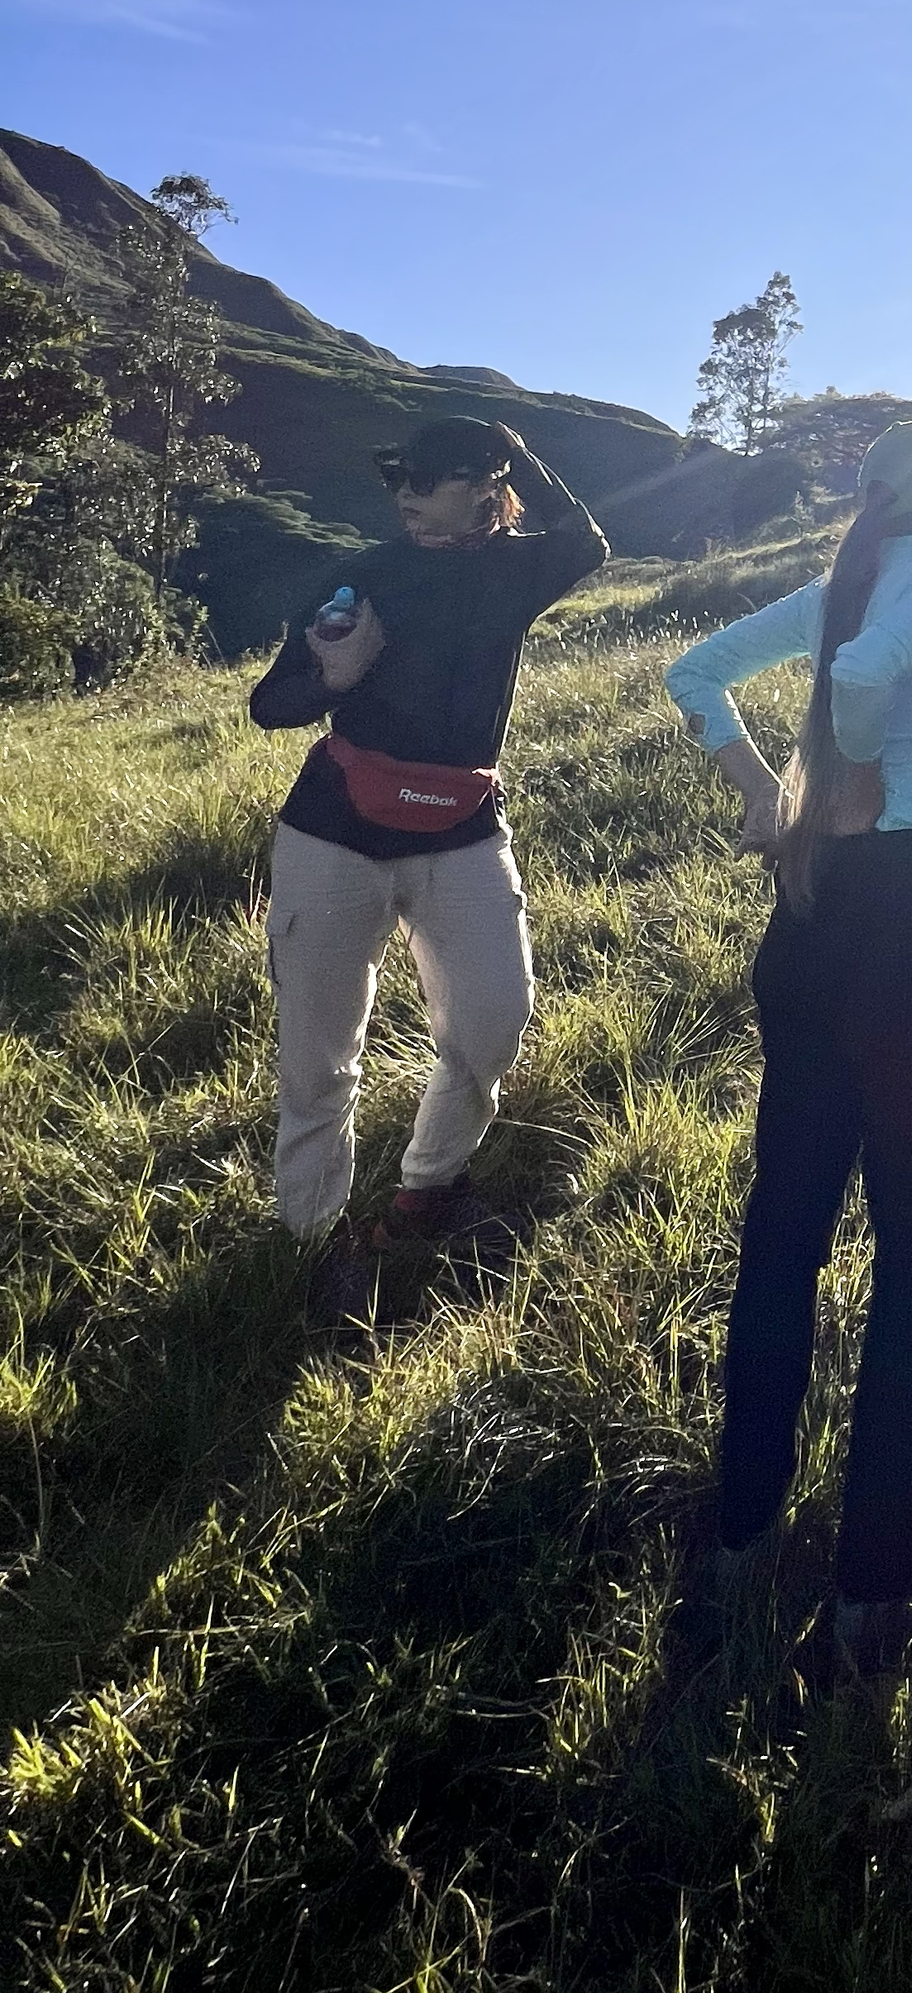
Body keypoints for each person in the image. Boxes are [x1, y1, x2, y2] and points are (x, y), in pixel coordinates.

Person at [664, 416, 912, 1676]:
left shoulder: (836, 582)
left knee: (784, 1235)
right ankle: (873, 1593)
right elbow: (863, 687)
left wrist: (771, 796)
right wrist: (850, 773)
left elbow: (691, 674)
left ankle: (740, 1540)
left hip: (812, 923)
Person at [248, 416, 608, 1325]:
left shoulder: (519, 566)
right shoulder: (363, 574)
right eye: (397, 475)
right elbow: (271, 703)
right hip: (334, 833)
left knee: (494, 1015)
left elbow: (588, 539)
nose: (405, 491)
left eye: (429, 477)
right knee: (319, 1055)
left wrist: (517, 448)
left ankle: (429, 1188)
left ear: (487, 486)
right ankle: (315, 1238)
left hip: (462, 829)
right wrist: (337, 676)